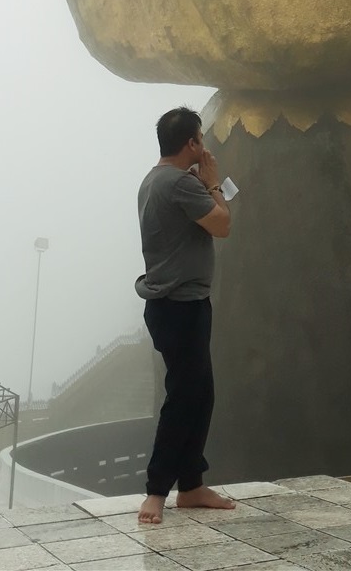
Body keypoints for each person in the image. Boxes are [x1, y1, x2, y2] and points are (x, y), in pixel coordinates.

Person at [135, 107, 236, 525]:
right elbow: (222, 225)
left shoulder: (153, 180)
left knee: (200, 393)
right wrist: (213, 183)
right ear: (191, 143)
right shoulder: (181, 183)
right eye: (200, 139)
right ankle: (157, 491)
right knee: (183, 397)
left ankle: (191, 485)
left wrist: (205, 186)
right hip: (181, 306)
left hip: (173, 304)